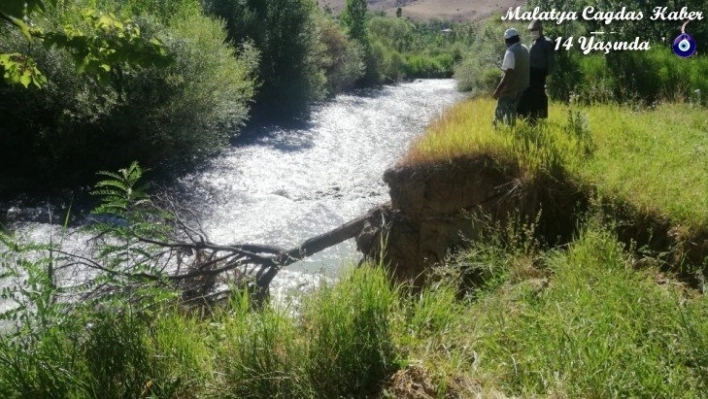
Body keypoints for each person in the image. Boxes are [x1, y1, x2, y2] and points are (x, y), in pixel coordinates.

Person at [518, 20, 555, 123]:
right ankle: (528, 117)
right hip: (530, 73)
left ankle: (536, 118)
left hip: (539, 73)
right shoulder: (533, 43)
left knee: (538, 95)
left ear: (540, 29)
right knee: (526, 95)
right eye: (531, 30)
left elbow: (550, 61)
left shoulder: (547, 42)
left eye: (534, 30)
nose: (533, 32)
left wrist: (545, 73)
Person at [493, 28, 530, 127]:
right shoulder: (525, 48)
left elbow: (508, 74)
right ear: (518, 38)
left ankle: (498, 129)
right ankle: (511, 129)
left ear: (507, 40)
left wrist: (498, 90)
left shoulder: (510, 52)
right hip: (522, 87)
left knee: (500, 110)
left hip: (510, 89)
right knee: (512, 110)